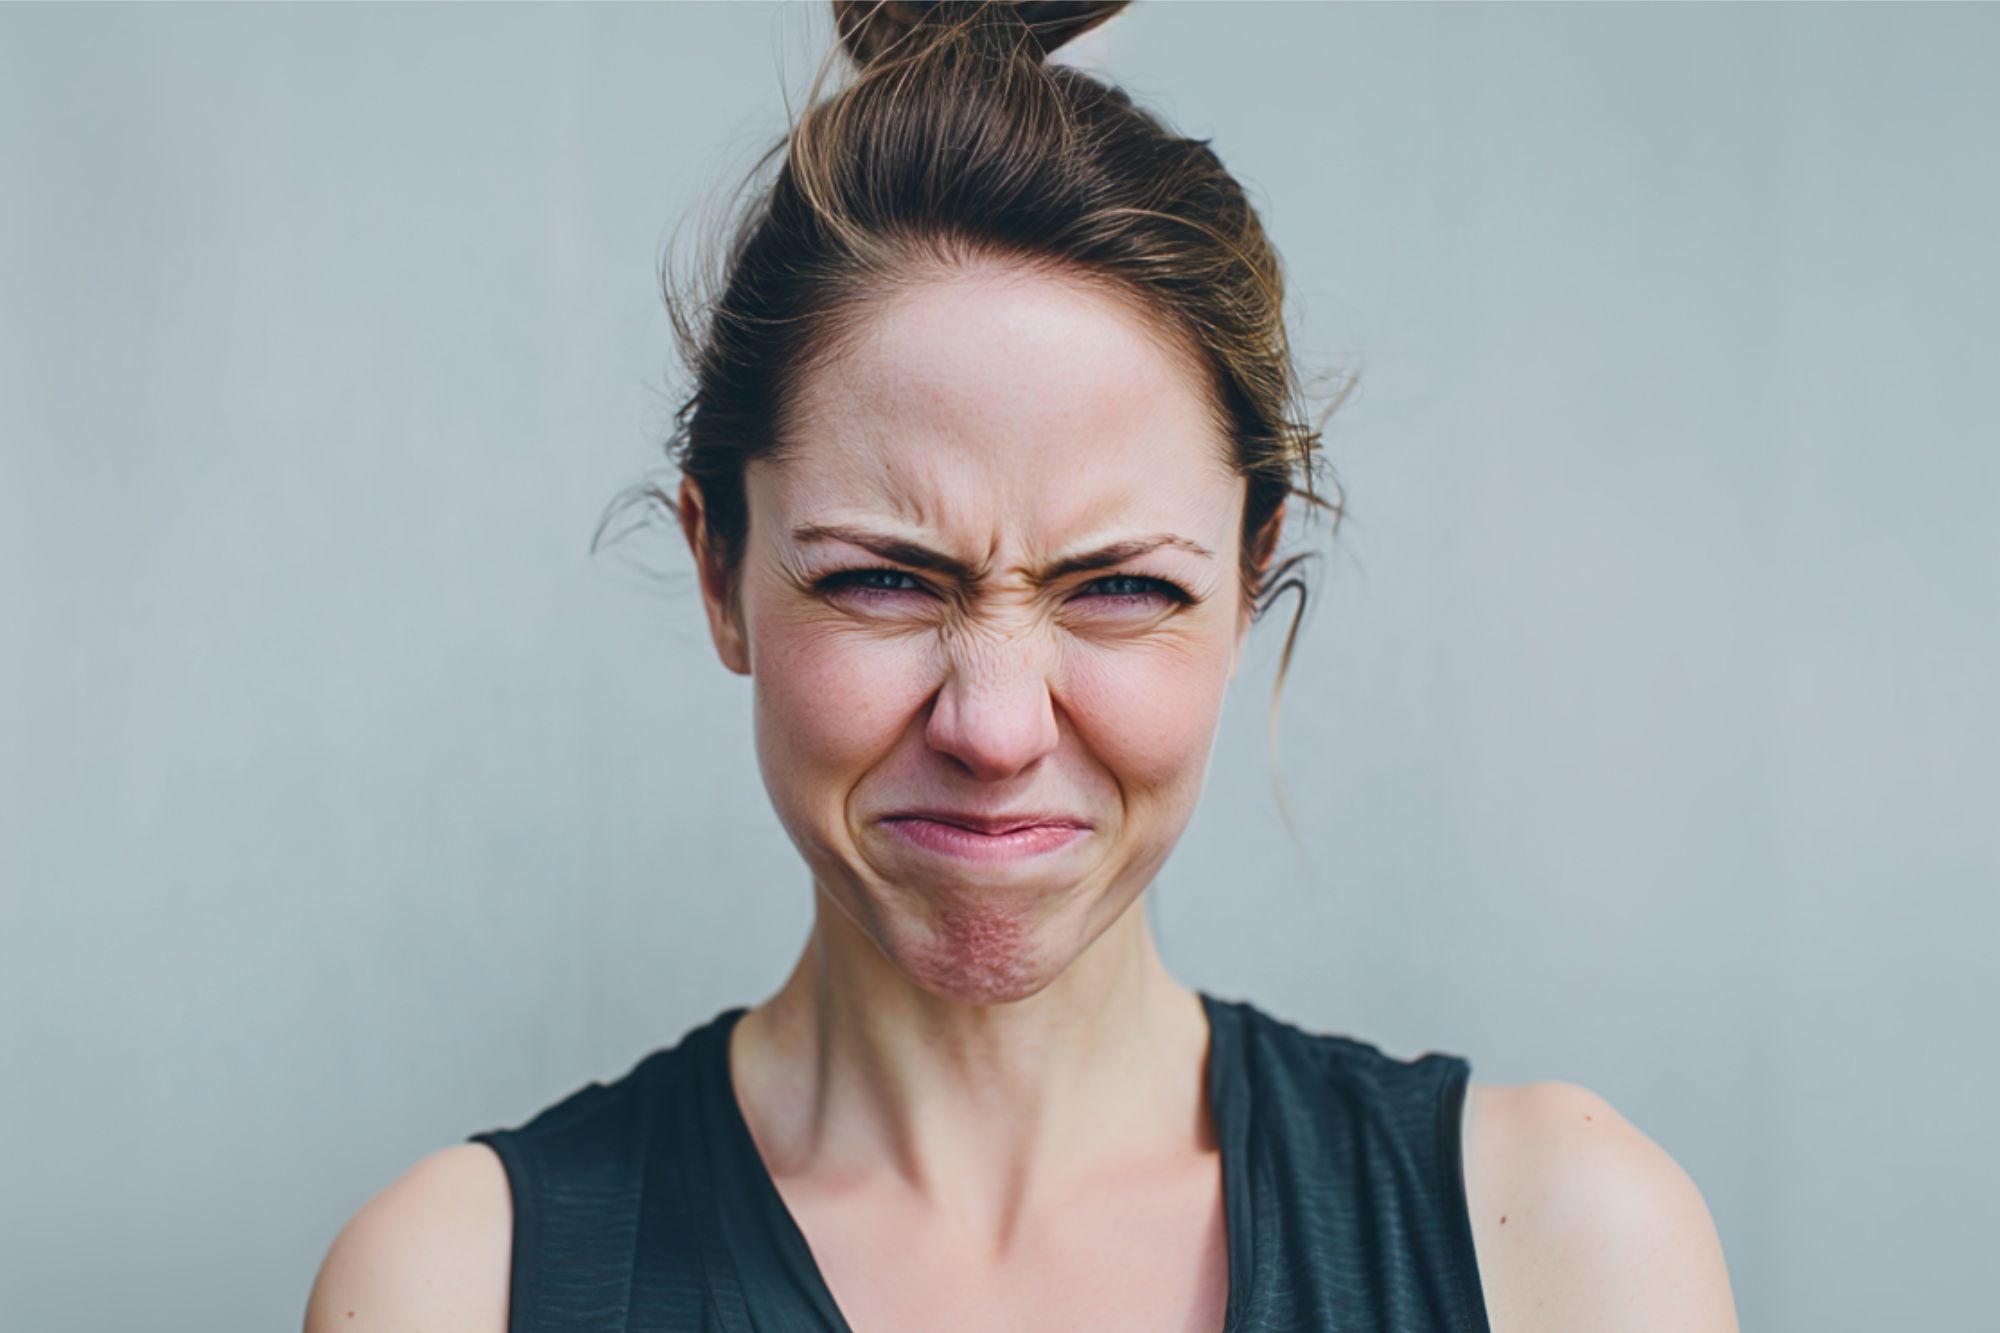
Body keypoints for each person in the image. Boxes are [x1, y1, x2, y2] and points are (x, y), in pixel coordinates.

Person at [305, 3, 1740, 1330]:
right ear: (717, 569)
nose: (993, 726)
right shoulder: (457, 1287)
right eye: (879, 578)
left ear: (1247, 580)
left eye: (1120, 585)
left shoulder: (1560, 1252)